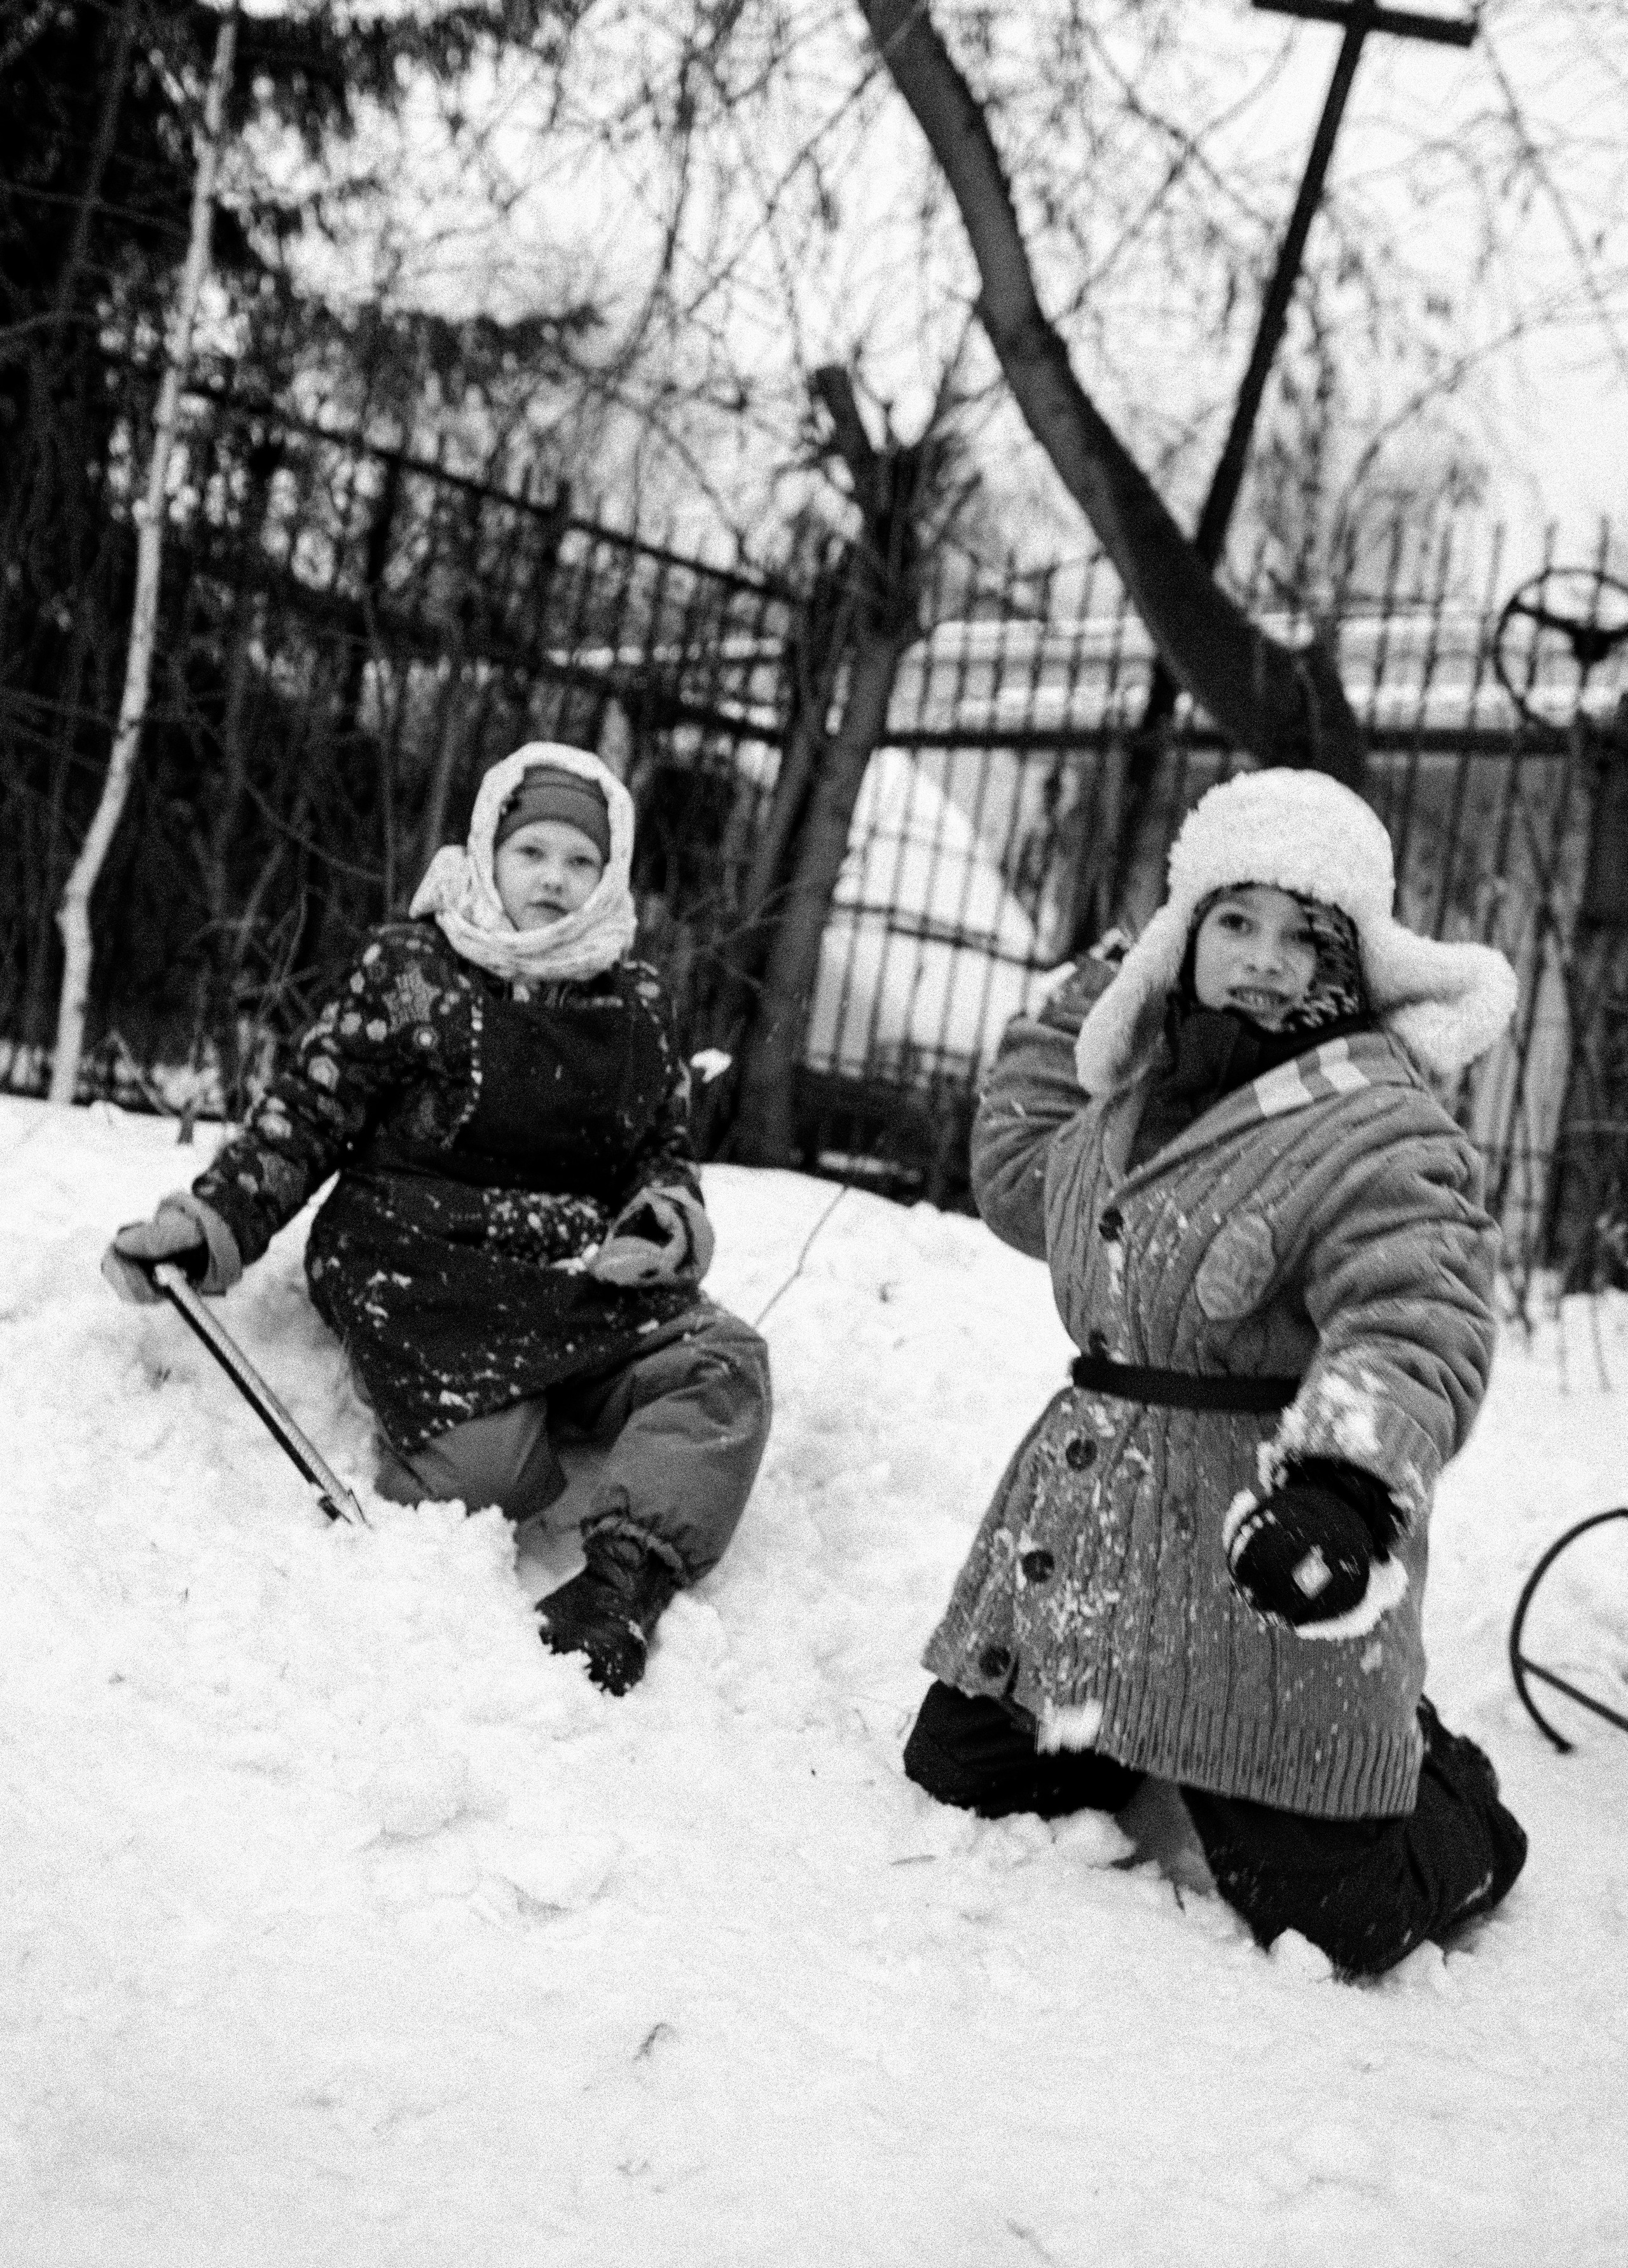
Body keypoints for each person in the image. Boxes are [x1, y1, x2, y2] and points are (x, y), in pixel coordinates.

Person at [902, 767, 1529, 1977]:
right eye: (1234, 921)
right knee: (959, 1775)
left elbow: (1415, 1313)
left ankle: (1448, 1786)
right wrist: (1092, 994)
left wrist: (1344, 1488)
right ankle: (1126, 1722)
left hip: (1262, 1551)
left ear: (1353, 963)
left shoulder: (1377, 1122)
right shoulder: (1132, 1099)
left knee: (1343, 1917)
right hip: (1091, 1543)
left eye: (1307, 936)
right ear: (1182, 938)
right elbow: (1026, 1178)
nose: (1266, 959)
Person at [105, 742, 771, 1693]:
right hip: (420, 1262)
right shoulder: (414, 968)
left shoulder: (638, 1000)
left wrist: (661, 1220)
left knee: (724, 1365)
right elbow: (306, 1116)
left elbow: (660, 1151)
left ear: (612, 873)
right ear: (490, 852)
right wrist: (209, 1223)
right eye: (533, 852)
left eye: (582, 861)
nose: (554, 879)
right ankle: (511, 1416)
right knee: (482, 1480)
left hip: (572, 1264)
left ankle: (622, 1586)